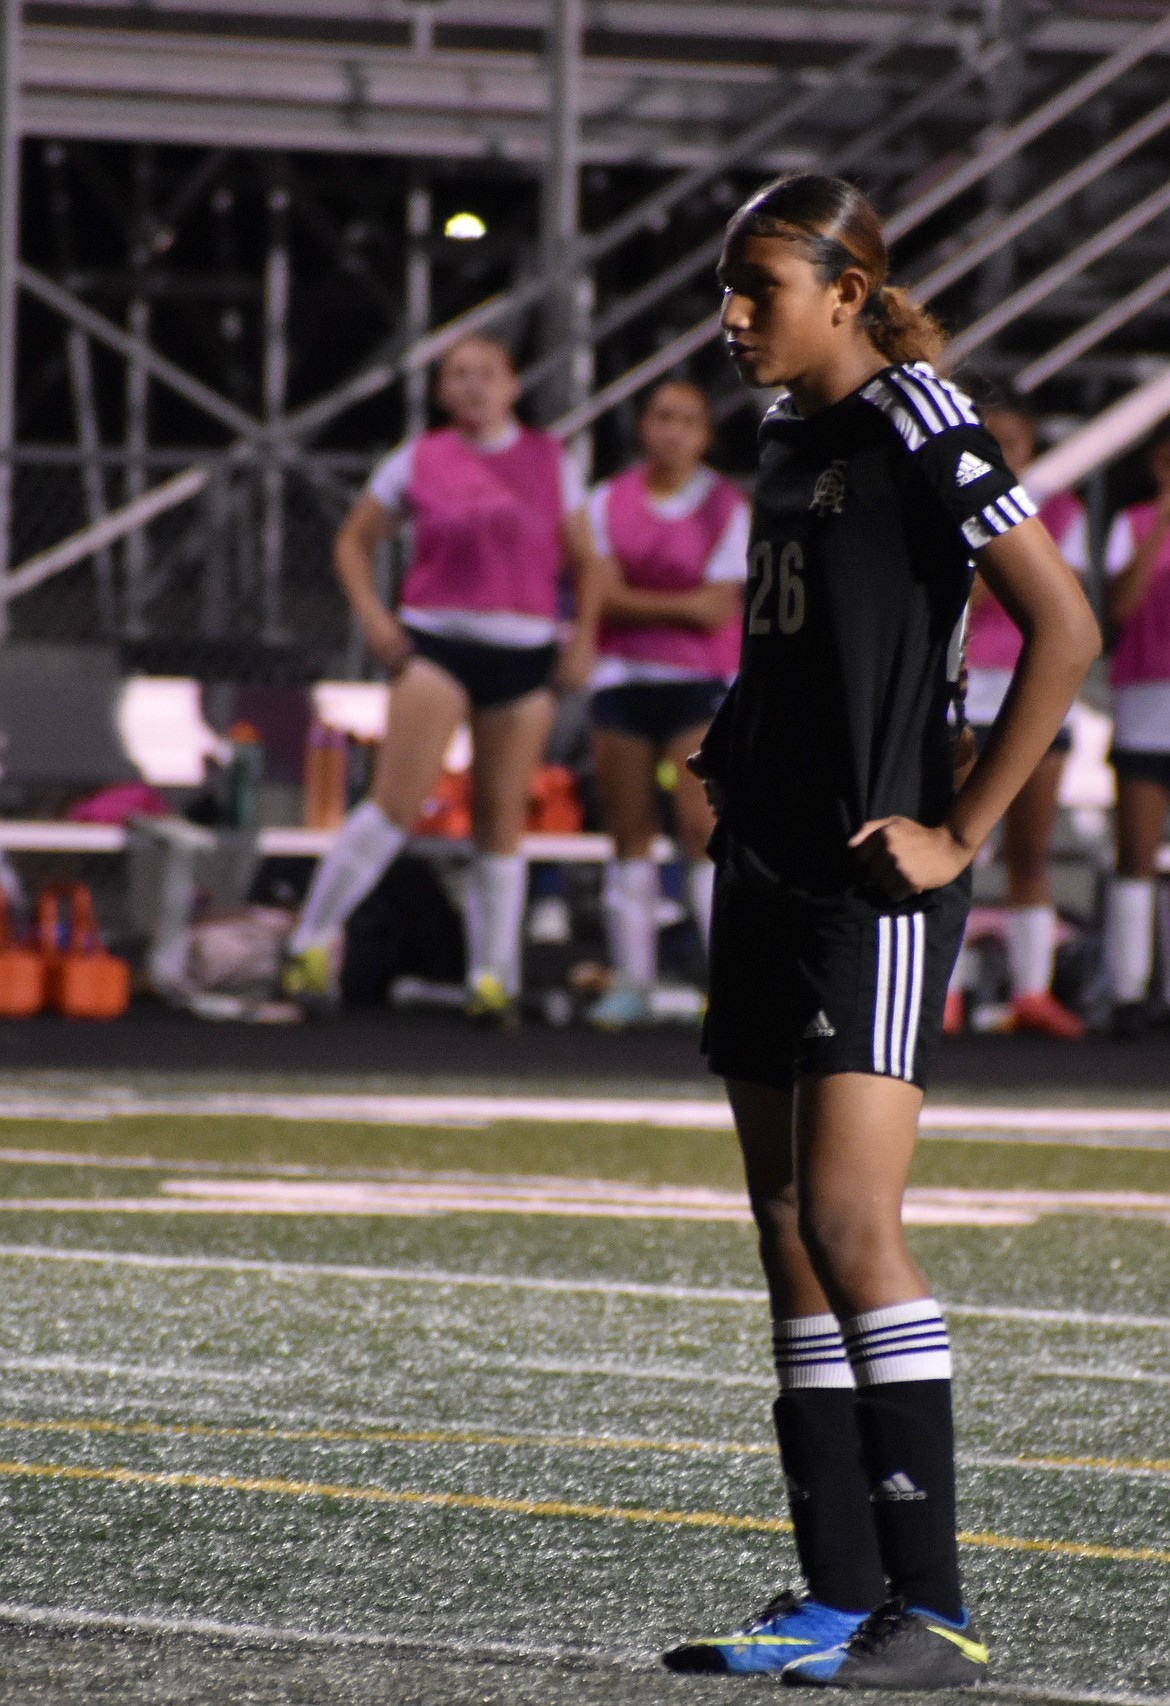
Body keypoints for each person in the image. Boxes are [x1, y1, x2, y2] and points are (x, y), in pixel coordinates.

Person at [663, 173, 1098, 1687]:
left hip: (873, 880)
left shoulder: (923, 417)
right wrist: (734, 736)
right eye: (724, 290)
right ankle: (836, 1591)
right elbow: (804, 633)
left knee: (851, 1223)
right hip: (765, 863)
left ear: (846, 290)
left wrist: (960, 827)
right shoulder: (783, 433)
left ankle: (940, 1605)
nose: (729, 319)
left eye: (758, 291)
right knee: (782, 1225)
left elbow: (1066, 625)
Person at [283, 335, 600, 1021]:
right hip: (438, 642)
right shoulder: (421, 457)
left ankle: (494, 979)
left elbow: (588, 561)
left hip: (523, 651)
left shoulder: (549, 460)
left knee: (500, 819)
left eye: (486, 373)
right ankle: (309, 944)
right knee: (395, 804)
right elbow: (352, 541)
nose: (473, 385)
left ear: (513, 385)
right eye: (457, 375)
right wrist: (374, 617)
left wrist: (584, 640)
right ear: (441, 391)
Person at [586, 379, 749, 1028]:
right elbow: (604, 596)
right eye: (661, 416)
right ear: (643, 427)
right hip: (621, 679)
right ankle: (633, 981)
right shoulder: (608, 501)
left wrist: (636, 599)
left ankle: (728, 983)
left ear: (704, 435)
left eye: (687, 419)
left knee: (701, 830)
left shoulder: (725, 507)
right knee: (629, 833)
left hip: (698, 684)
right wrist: (675, 604)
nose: (672, 430)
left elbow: (716, 609)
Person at [944, 398, 1088, 1038]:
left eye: (1016, 441)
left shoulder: (1061, 511)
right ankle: (942, 991)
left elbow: (1061, 603)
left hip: (1032, 694)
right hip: (966, 695)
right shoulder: (954, 503)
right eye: (993, 439)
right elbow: (970, 593)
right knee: (953, 844)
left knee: (1030, 852)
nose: (1006, 451)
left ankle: (1032, 992)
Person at [1102, 424, 1170, 1038]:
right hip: (1146, 704)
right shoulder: (1133, 524)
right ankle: (1129, 991)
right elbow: (1120, 605)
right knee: (1137, 854)